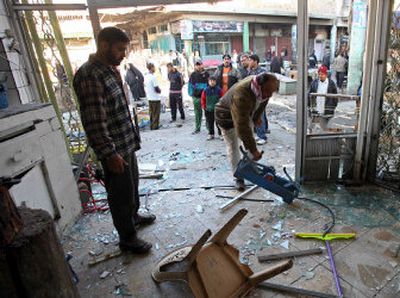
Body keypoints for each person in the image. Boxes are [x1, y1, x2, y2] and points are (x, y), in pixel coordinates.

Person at [73, 27, 154, 254]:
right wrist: (109, 153)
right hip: (114, 149)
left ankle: (134, 217)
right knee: (120, 195)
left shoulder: (109, 69)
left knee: (131, 188)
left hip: (125, 143)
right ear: (104, 45)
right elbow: (94, 121)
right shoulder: (90, 74)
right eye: (120, 49)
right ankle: (127, 238)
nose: (123, 54)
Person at [215, 73, 279, 191]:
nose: (269, 95)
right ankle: (238, 177)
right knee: (233, 146)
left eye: (272, 92)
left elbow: (263, 102)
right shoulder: (242, 94)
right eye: (268, 91)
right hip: (225, 116)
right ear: (260, 85)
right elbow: (242, 127)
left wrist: (257, 117)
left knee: (249, 143)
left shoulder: (264, 88)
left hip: (244, 113)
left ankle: (250, 169)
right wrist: (254, 150)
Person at [248, 54, 269, 145]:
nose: (249, 62)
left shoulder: (263, 71)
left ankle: (262, 137)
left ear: (256, 61)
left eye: (250, 60)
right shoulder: (250, 71)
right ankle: (260, 133)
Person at [188, 60, 209, 134]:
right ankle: (197, 128)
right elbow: (190, 85)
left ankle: (209, 129)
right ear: (195, 66)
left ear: (202, 65)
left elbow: (209, 85)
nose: (199, 66)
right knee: (197, 113)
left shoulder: (206, 74)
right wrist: (192, 95)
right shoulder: (193, 75)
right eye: (197, 65)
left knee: (207, 112)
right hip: (196, 97)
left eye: (200, 64)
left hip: (205, 97)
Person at [201, 76, 223, 140]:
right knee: (210, 122)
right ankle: (211, 134)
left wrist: (220, 107)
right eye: (210, 81)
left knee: (219, 123)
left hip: (217, 109)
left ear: (215, 82)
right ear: (208, 82)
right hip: (208, 110)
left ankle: (220, 134)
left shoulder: (219, 90)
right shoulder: (205, 90)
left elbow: (222, 99)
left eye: (213, 81)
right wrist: (204, 107)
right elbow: (203, 99)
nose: (212, 82)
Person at [144, 62, 162, 130]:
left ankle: (152, 126)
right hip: (155, 98)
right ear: (151, 68)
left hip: (149, 97)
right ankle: (155, 126)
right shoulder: (153, 77)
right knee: (156, 113)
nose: (154, 69)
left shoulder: (146, 76)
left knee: (151, 113)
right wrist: (160, 91)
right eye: (154, 67)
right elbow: (156, 88)